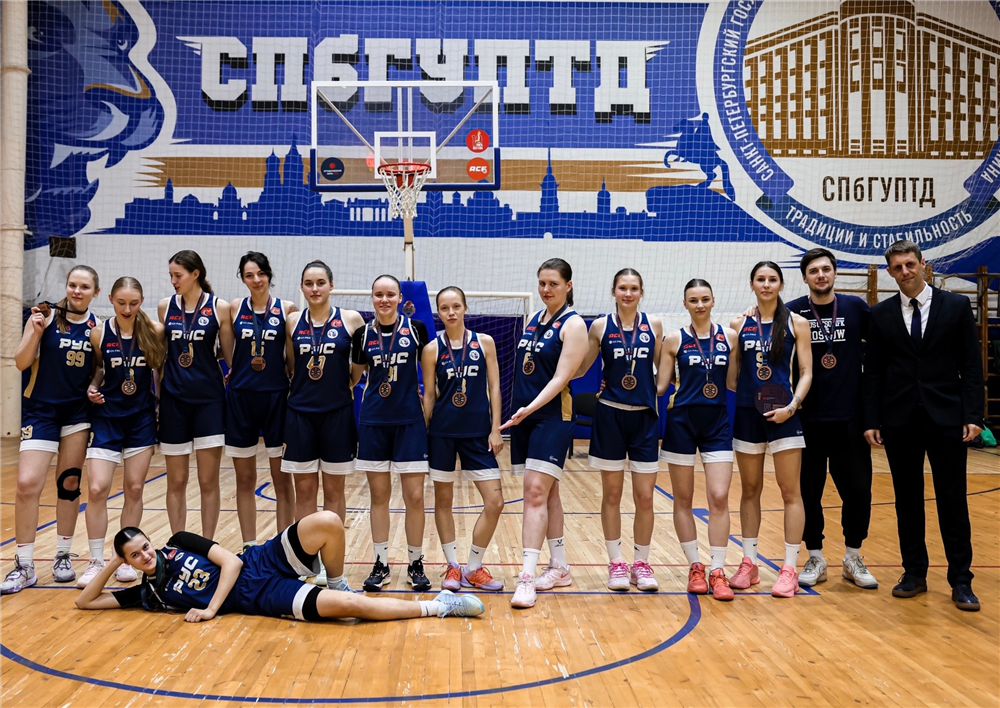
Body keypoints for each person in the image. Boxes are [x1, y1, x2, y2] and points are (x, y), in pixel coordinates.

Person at [75, 511, 485, 622]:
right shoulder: (148, 593)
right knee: (350, 610)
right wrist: (112, 562)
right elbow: (86, 603)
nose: (145, 556)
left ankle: (336, 581)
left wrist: (211, 609)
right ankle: (441, 606)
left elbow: (230, 562)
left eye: (145, 547)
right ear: (129, 561)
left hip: (259, 561)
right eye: (135, 556)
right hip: (260, 597)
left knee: (327, 521)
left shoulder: (179, 542)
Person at [863, 240, 985, 611]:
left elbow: (971, 365)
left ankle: (961, 580)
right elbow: (873, 373)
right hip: (899, 420)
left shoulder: (956, 306)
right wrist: (871, 419)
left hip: (947, 418)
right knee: (907, 500)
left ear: (923, 264)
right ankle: (914, 573)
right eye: (898, 267)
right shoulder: (880, 314)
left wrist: (973, 416)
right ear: (890, 272)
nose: (905, 271)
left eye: (910, 264)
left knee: (953, 501)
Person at [2, 267, 100, 594]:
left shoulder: (98, 327)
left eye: (84, 286)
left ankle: (63, 556)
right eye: (73, 284)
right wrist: (34, 332)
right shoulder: (44, 318)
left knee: (69, 482)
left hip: (77, 413)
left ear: (95, 293)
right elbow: (20, 362)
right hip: (41, 410)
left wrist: (95, 387)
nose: (77, 291)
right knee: (27, 484)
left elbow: (100, 369)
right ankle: (24, 565)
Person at [786, 248, 877, 589]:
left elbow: (881, 348)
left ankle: (853, 556)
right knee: (808, 492)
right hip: (806, 419)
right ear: (804, 277)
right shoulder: (791, 311)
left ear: (835, 273)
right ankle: (815, 556)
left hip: (850, 418)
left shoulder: (855, 308)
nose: (820, 275)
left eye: (826, 269)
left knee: (858, 491)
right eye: (814, 271)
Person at [501, 258, 588, 609]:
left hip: (552, 416)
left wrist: (529, 408)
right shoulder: (535, 319)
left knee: (534, 492)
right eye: (542, 283)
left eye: (553, 283)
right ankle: (560, 567)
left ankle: (526, 577)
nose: (546, 289)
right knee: (548, 494)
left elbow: (561, 378)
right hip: (526, 416)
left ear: (568, 285)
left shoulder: (574, 324)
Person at [576, 269, 663, 592]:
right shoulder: (600, 326)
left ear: (642, 292)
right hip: (610, 416)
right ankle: (616, 563)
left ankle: (641, 563)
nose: (628, 293)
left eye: (634, 288)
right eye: (622, 288)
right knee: (612, 495)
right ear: (613, 291)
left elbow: (663, 369)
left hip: (644, 419)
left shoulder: (654, 325)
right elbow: (581, 367)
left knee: (645, 496)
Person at [729, 261, 812, 597]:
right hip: (747, 415)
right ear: (752, 284)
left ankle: (789, 568)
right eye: (760, 279)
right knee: (750, 490)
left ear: (781, 284)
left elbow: (806, 372)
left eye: (772, 279)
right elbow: (733, 376)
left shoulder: (797, 323)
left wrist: (791, 406)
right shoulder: (738, 324)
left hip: (786, 415)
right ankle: (749, 563)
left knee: (790, 492)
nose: (766, 284)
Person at [281, 261, 365, 590]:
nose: (314, 288)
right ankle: (306, 561)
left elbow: (357, 368)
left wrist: (345, 387)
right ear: (302, 287)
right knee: (304, 491)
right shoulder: (292, 321)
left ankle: (333, 564)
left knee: (334, 491)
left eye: (320, 282)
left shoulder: (351, 319)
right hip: (300, 414)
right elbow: (292, 365)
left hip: (337, 414)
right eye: (308, 283)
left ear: (331, 285)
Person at [80, 277, 165, 587]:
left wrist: (161, 409)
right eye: (121, 303)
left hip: (141, 419)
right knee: (97, 489)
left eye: (134, 303)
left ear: (141, 301)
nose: (127, 309)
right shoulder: (99, 333)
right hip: (107, 418)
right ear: (110, 300)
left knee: (135, 488)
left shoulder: (155, 330)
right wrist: (92, 387)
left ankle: (127, 560)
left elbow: (159, 372)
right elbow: (99, 368)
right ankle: (95, 561)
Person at [421, 287, 505, 592]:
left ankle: (474, 566)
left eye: (456, 306)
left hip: (478, 434)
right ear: (438, 313)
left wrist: (496, 428)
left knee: (495, 502)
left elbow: (494, 387)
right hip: (442, 434)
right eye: (445, 308)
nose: (451, 312)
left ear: (465, 308)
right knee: (443, 501)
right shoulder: (431, 349)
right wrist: (422, 434)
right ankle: (453, 566)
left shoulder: (484, 342)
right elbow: (430, 396)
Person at [659, 279, 738, 601]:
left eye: (705, 299)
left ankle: (717, 571)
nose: (700, 305)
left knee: (719, 497)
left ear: (714, 300)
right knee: (683, 499)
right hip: (681, 423)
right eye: (693, 300)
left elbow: (733, 383)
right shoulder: (674, 339)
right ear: (685, 304)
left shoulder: (729, 337)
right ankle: (695, 566)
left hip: (717, 423)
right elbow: (660, 386)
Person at [352, 275, 432, 592]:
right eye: (378, 294)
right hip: (374, 423)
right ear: (372, 297)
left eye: (390, 294)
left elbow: (430, 377)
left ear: (400, 298)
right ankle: (380, 563)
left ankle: (415, 563)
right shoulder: (362, 335)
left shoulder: (417, 330)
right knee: (379, 497)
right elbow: (353, 378)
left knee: (415, 496)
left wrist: (427, 415)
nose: (384, 299)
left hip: (410, 422)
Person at [157, 250, 234, 539]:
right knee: (176, 480)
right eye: (171, 276)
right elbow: (161, 357)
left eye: (178, 275)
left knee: (207, 480)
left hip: (209, 402)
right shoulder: (165, 307)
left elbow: (229, 356)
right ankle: (178, 544)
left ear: (195, 274)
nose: (173, 281)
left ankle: (207, 545)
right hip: (173, 401)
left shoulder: (219, 307)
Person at [226, 252, 297, 547]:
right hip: (241, 400)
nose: (256, 280)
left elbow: (292, 360)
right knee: (244, 479)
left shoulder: (287, 309)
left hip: (276, 399)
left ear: (269, 275)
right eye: (249, 275)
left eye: (260, 274)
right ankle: (250, 547)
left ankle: (284, 548)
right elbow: (230, 353)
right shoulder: (234, 307)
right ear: (243, 279)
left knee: (282, 479)